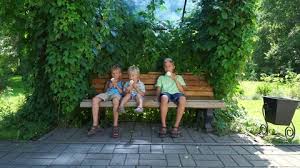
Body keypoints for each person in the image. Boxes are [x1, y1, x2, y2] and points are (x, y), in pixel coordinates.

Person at [88, 65, 124, 138]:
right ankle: (95, 126)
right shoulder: (109, 81)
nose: (114, 75)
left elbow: (122, 93)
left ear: (120, 74)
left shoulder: (122, 82)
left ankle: (115, 126)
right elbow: (105, 91)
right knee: (95, 99)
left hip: (116, 95)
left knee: (116, 101)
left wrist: (116, 85)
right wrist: (110, 85)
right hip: (108, 94)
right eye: (113, 73)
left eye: (116, 73)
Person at [156, 58, 187, 138]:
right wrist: (157, 97)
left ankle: (175, 127)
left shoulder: (179, 77)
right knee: (164, 97)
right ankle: (164, 126)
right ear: (164, 68)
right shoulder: (161, 78)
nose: (167, 68)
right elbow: (159, 89)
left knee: (183, 99)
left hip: (177, 93)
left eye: (169, 66)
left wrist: (175, 79)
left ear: (173, 67)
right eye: (166, 67)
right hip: (166, 93)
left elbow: (182, 91)